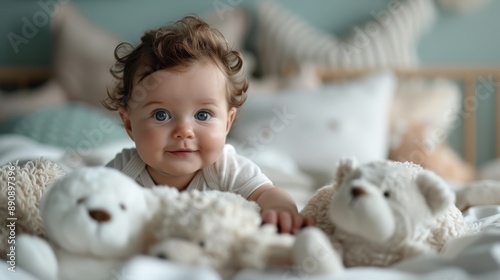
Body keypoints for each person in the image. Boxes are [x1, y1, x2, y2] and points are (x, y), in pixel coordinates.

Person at [103, 15, 313, 234]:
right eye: (161, 115)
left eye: (203, 115)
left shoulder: (226, 169)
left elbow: (267, 193)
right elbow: (91, 196)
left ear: (227, 123)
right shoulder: (123, 171)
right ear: (129, 125)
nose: (184, 131)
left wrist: (280, 207)